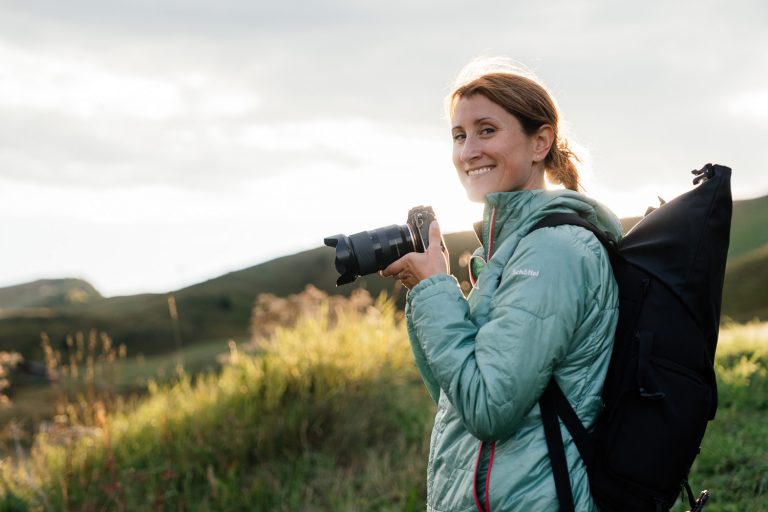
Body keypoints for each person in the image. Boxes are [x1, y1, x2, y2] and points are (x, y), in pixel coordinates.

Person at [381, 60, 622, 511]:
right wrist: (427, 288)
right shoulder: (510, 250)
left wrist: (436, 290)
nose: (468, 150)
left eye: (486, 130)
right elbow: (455, 396)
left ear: (541, 141)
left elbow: (488, 408)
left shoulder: (552, 252)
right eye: (459, 135)